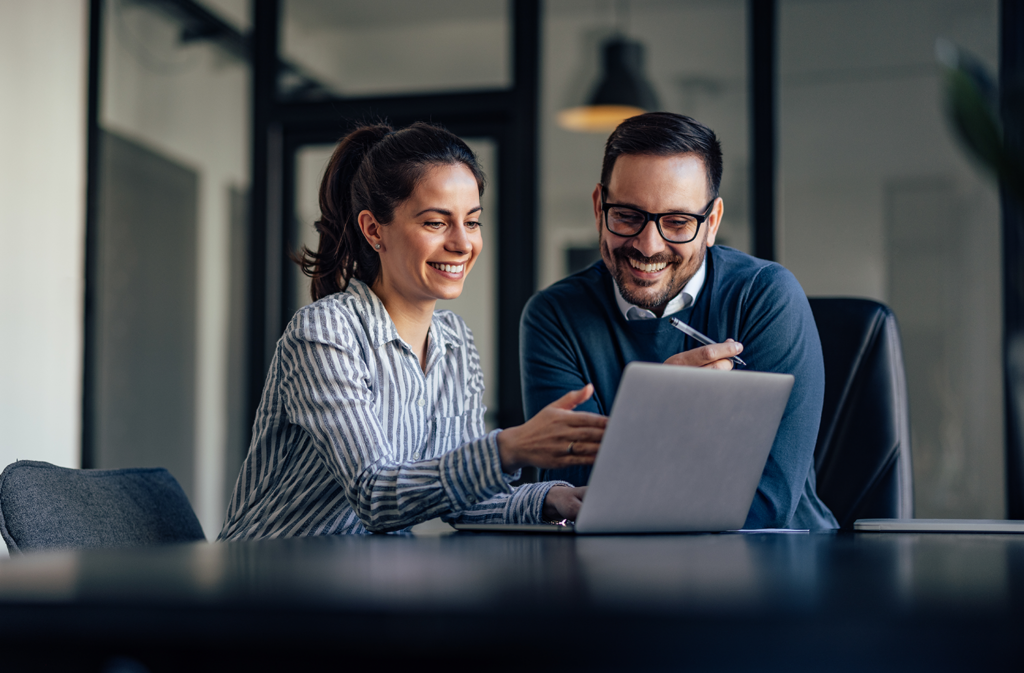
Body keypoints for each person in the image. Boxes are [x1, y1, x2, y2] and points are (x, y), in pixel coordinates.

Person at [220, 122, 606, 540]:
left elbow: (463, 497)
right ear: (373, 230)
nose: (463, 243)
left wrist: (555, 499)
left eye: (472, 222)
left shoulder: (455, 341)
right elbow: (375, 495)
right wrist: (510, 448)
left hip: (366, 580)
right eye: (436, 223)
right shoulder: (324, 332)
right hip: (269, 581)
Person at [520, 112, 838, 530]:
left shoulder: (767, 297)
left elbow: (768, 500)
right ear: (600, 207)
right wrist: (660, 411)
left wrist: (637, 451)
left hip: (777, 564)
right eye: (628, 216)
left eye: (677, 222)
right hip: (618, 574)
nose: (648, 246)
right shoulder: (554, 317)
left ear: (712, 223)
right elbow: (579, 497)